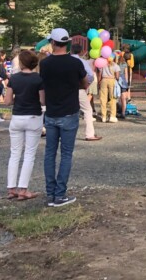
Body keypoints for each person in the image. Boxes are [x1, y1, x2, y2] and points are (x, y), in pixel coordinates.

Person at [39, 28, 88, 207]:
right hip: (69, 112)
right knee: (66, 154)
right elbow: (84, 82)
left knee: (49, 154)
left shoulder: (45, 64)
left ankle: (50, 193)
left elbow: (42, 85)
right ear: (67, 43)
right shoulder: (75, 63)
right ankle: (60, 194)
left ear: (53, 42)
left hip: (51, 113)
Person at [3, 50, 45, 200]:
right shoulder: (38, 79)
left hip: (17, 117)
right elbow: (42, 101)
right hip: (33, 116)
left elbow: (7, 101)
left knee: (14, 153)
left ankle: (11, 188)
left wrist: (18, 99)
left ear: (21, 63)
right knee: (29, 154)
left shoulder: (14, 79)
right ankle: (23, 189)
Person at [71, 44, 101, 141]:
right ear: (80, 52)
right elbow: (90, 75)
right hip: (79, 88)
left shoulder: (65, 60)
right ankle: (89, 134)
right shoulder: (83, 61)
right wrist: (86, 84)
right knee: (87, 110)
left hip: (66, 90)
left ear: (71, 50)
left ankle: (63, 134)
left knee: (68, 111)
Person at [96, 53, 120, 123]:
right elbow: (117, 77)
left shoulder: (103, 65)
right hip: (112, 80)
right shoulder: (116, 66)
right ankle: (112, 116)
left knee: (103, 99)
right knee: (113, 99)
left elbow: (99, 75)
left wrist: (99, 82)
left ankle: (104, 116)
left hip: (103, 80)